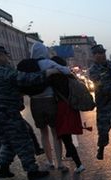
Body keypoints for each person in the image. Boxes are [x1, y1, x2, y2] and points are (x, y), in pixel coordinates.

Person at [0, 45, 62, 180]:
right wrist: (47, 73)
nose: (7, 58)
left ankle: (3, 167)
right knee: (23, 140)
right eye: (5, 55)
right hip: (6, 112)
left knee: (8, 141)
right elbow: (25, 79)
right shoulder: (3, 71)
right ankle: (32, 171)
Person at [29, 42, 70, 172]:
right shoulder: (47, 63)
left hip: (35, 102)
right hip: (50, 101)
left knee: (43, 132)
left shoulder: (29, 65)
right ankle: (60, 163)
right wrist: (54, 71)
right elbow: (66, 70)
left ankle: (49, 161)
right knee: (55, 132)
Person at [50, 56, 85, 173]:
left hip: (61, 108)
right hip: (71, 107)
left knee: (65, 137)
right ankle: (71, 155)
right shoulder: (69, 75)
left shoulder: (53, 78)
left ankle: (79, 164)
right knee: (68, 134)